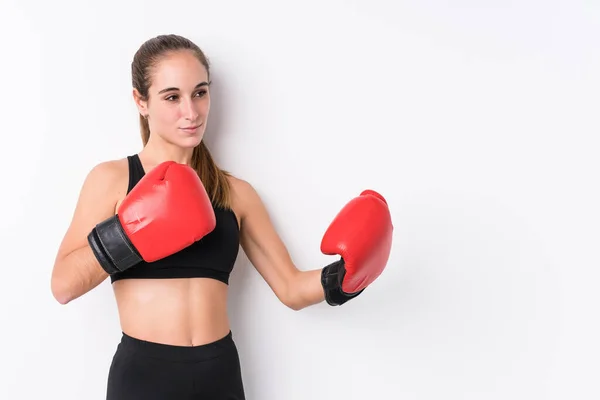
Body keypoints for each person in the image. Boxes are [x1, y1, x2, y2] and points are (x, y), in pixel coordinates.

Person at [50, 34, 393, 400]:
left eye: (200, 92)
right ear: (141, 101)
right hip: (144, 375)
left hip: (220, 374)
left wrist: (346, 276)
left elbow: (291, 288)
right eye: (172, 97)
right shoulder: (113, 180)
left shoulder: (235, 193)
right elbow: (63, 285)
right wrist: (129, 231)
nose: (192, 112)